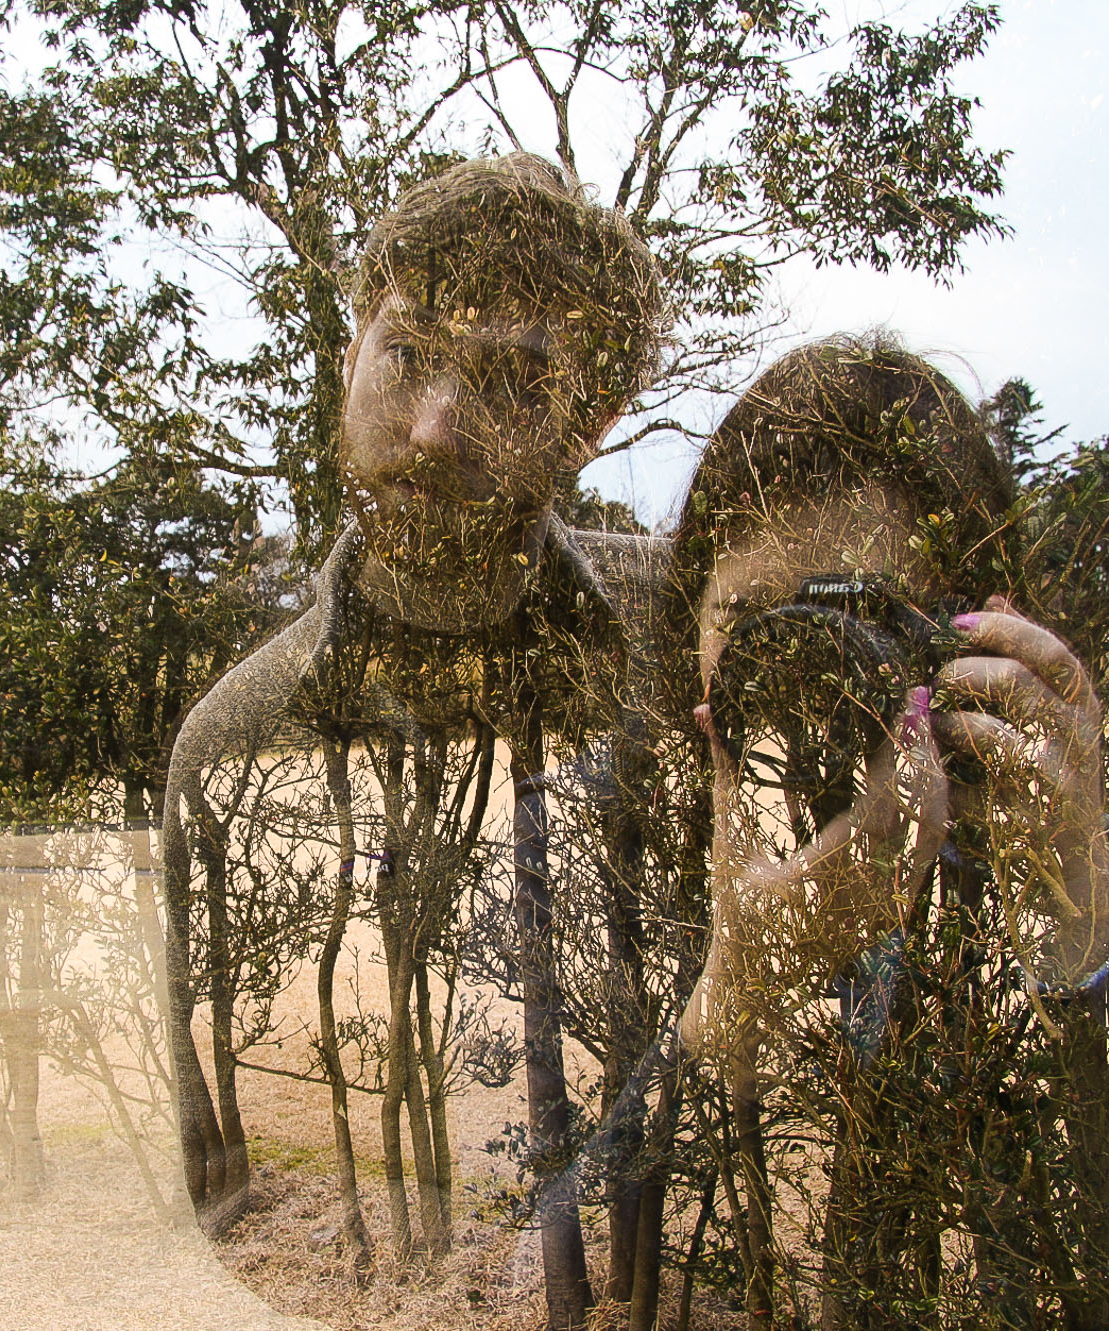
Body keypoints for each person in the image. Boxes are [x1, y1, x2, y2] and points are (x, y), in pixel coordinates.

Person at [157, 153, 669, 1324]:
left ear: (587, 424)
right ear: (349, 358)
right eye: (409, 356)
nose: (436, 428)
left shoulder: (678, 664)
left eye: (508, 382)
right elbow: (207, 1181)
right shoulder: (229, 744)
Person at [670, 333, 1109, 1328]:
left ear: (980, 636)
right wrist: (736, 981)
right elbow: (612, 1247)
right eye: (757, 621)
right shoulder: (641, 854)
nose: (817, 667)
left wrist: (1073, 902)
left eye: (865, 616)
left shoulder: (1075, 873)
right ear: (692, 637)